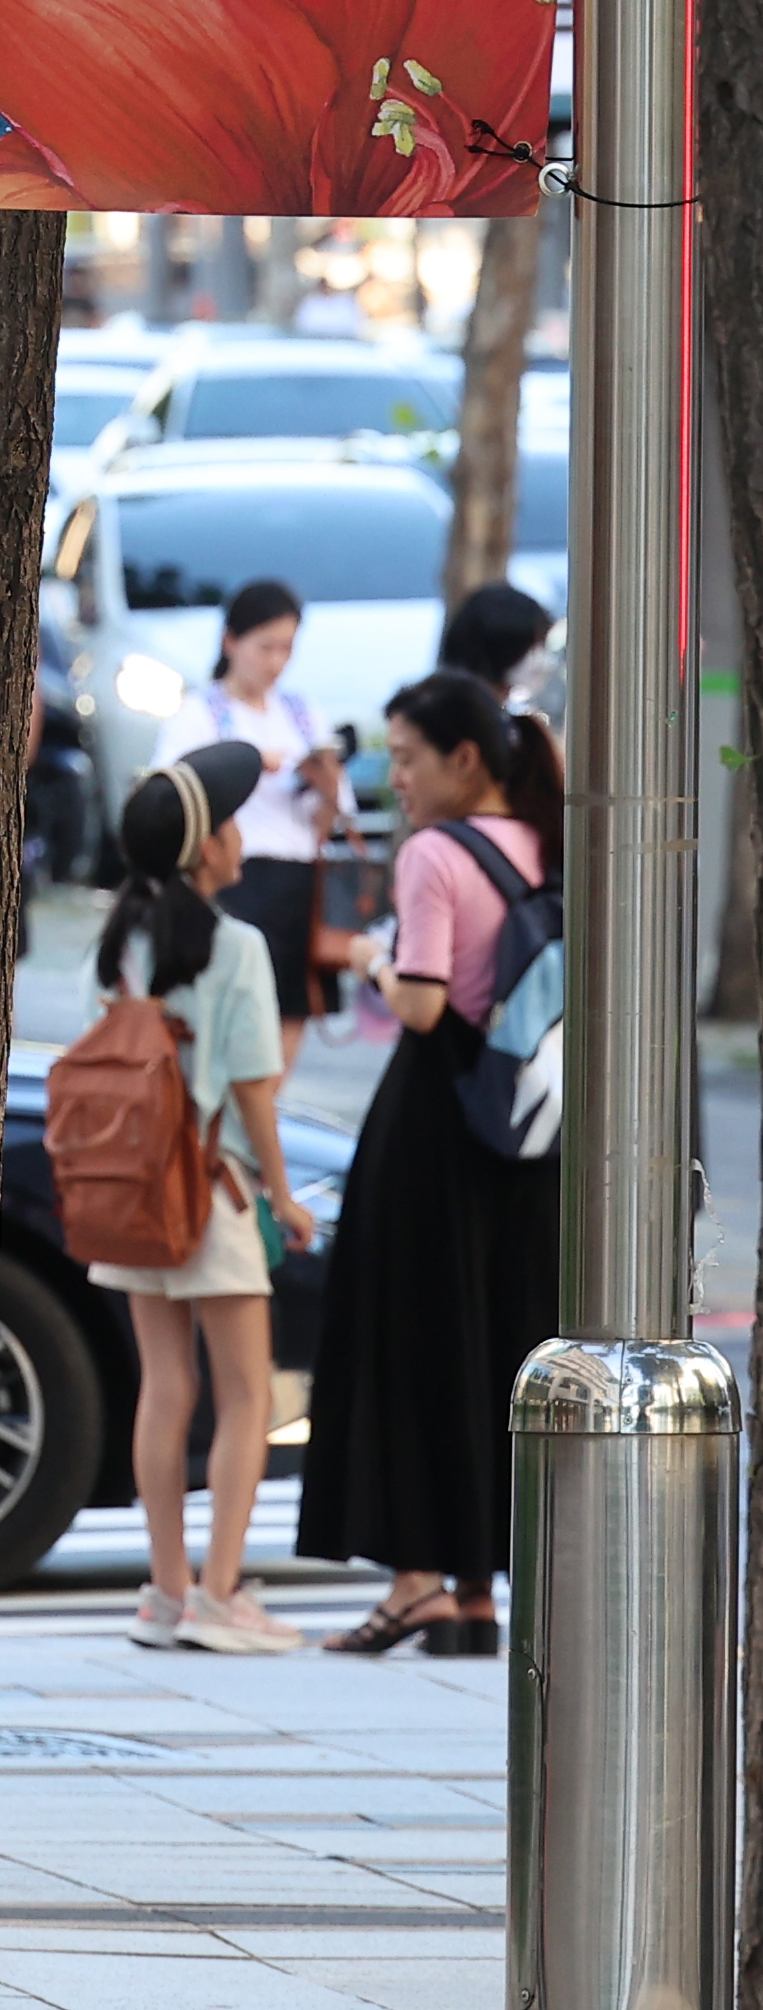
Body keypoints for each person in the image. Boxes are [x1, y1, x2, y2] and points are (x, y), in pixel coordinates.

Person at [297, 672, 564, 1656]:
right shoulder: (548, 839)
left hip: (432, 1121)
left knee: (407, 1335)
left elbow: (418, 1000)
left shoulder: (436, 854)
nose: (394, 776)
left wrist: (369, 955)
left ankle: (418, 1582)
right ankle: (474, 1587)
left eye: (406, 757)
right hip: (524, 1126)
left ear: (463, 759)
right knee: (497, 1343)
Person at [87, 744, 316, 1656]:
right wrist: (286, 1197)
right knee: (245, 1393)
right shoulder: (237, 947)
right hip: (214, 1194)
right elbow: (255, 1092)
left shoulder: (119, 945)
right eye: (226, 825)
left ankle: (166, 1591)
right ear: (204, 849)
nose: (237, 838)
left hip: (134, 1191)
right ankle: (223, 1593)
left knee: (164, 1387)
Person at [155, 579, 350, 1074]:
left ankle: (267, 1111)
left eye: (286, 648)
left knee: (291, 1005)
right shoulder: (200, 713)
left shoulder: (304, 714)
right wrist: (243, 764)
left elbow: (331, 818)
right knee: (231, 1006)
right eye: (265, 647)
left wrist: (325, 782)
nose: (276, 662)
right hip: (233, 877)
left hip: (298, 876)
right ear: (230, 642)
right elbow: (172, 795)